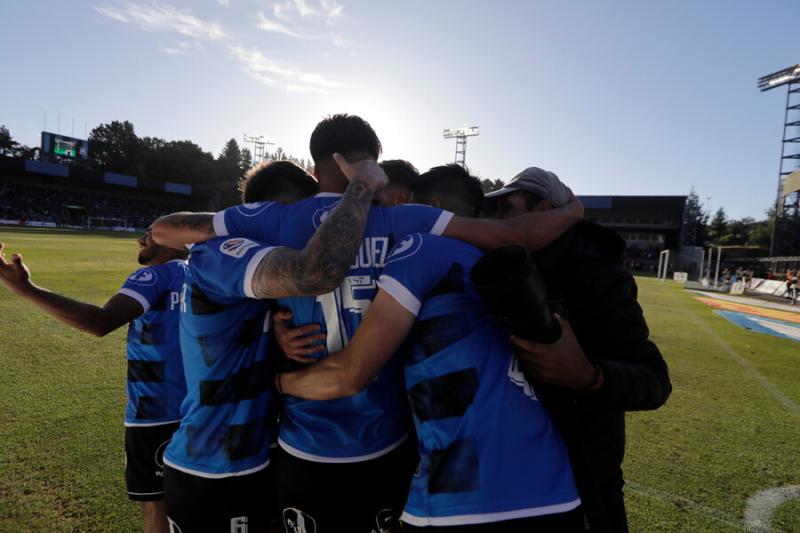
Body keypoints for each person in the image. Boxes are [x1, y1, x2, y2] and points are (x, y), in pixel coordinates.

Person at [152, 114, 585, 531]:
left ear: (316, 162)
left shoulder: (271, 219)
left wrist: (274, 319)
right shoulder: (407, 221)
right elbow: (515, 238)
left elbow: (167, 230)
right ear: (373, 160)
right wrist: (569, 214)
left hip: (307, 441)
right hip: (389, 440)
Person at [276, 165, 585, 531]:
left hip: (464, 497)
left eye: (392, 206)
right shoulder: (501, 263)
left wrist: (276, 380)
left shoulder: (419, 247)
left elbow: (351, 373)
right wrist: (571, 212)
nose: (385, 216)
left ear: (432, 210)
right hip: (554, 487)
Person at [161, 154, 387, 532]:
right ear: (264, 212)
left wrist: (274, 331)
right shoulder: (218, 254)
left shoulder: (257, 281)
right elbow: (312, 273)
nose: (305, 230)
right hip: (215, 465)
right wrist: (360, 189)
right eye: (298, 217)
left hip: (255, 457)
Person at [485, 167, 672, 533]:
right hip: (508, 478)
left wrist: (589, 376)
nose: (497, 220)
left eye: (507, 208)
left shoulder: (597, 273)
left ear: (544, 209)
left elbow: (655, 381)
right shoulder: (502, 265)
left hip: (583, 479)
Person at [0, 229, 188, 533]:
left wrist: (26, 289)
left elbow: (101, 322)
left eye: (151, 234)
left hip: (154, 413)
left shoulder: (152, 277)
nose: (142, 240)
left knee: (157, 507)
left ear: (176, 239)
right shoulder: (206, 278)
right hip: (202, 411)